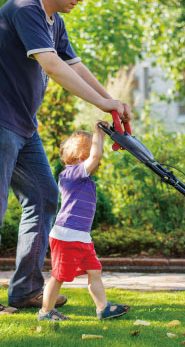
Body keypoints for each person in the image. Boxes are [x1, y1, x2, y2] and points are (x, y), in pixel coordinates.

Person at [0, 0, 131, 314]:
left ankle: (25, 291)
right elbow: (51, 66)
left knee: (44, 195)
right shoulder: (26, 9)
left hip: (21, 123)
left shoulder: (55, 22)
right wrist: (102, 103)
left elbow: (74, 64)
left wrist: (110, 102)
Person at [38, 121, 130, 322]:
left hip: (82, 238)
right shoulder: (71, 174)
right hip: (66, 237)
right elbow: (96, 156)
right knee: (59, 276)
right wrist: (98, 132)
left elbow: (97, 154)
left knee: (95, 271)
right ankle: (45, 312)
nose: (98, 160)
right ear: (82, 157)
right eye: (93, 155)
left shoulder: (84, 179)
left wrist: (103, 135)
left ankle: (103, 308)